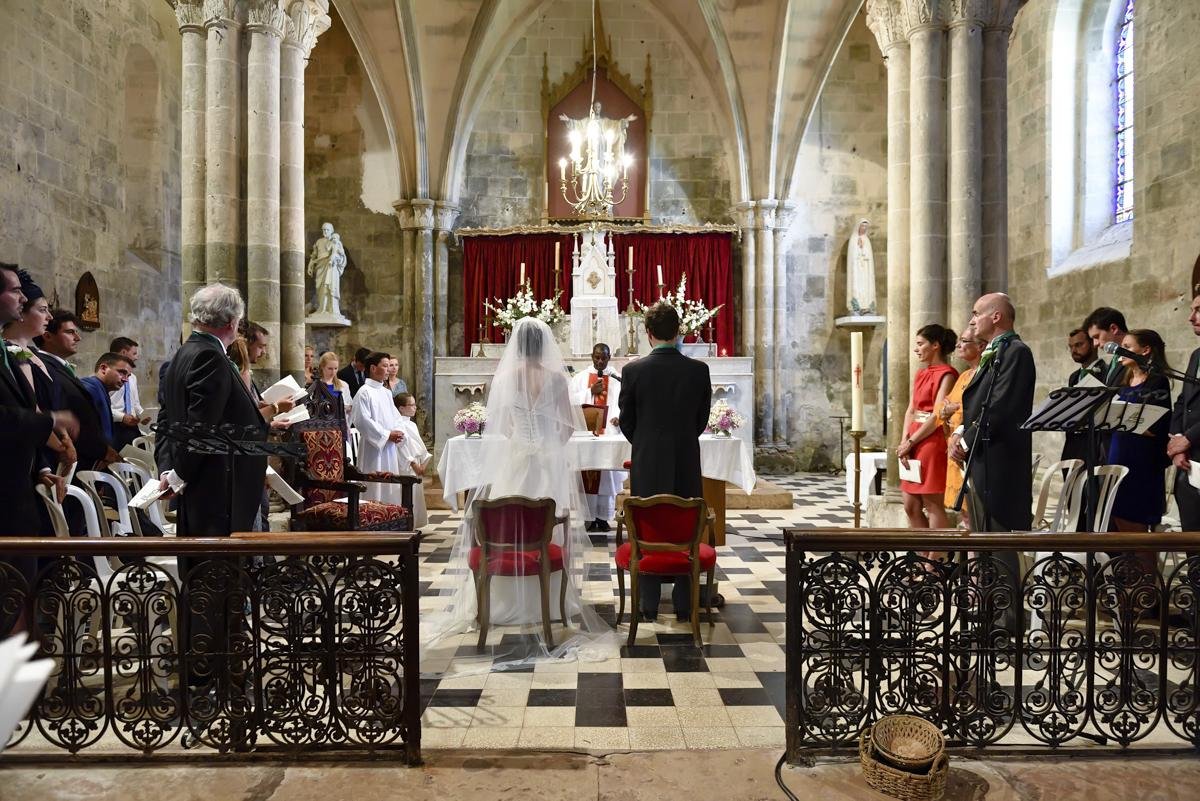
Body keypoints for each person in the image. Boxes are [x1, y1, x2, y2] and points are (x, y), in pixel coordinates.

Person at [424, 317, 613, 670]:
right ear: (544, 347)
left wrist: (522, 440)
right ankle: (550, 603)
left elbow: (505, 424)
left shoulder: (507, 377)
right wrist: (547, 446)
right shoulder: (557, 378)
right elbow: (566, 426)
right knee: (548, 527)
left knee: (507, 524)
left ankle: (502, 602)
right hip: (547, 461)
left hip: (515, 458)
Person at [618, 302, 711, 622]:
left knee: (649, 526)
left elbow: (626, 421)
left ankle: (649, 604)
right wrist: (681, 439)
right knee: (686, 525)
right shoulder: (698, 371)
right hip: (686, 458)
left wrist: (646, 443)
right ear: (678, 332)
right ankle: (686, 604)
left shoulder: (632, 371)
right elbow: (702, 419)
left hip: (647, 461)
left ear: (648, 334)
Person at [156, 283, 269, 537]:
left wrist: (169, 469)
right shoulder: (211, 357)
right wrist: (177, 475)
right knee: (217, 566)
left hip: (204, 482)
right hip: (220, 487)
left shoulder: (183, 353)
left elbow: (165, 419)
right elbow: (201, 429)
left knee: (203, 564)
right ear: (231, 321)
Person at [951, 293, 1035, 635]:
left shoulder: (1016, 352)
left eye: (977, 313)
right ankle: (989, 612)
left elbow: (1001, 407)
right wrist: (961, 432)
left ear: (996, 316)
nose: (973, 320)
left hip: (1001, 463)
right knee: (984, 538)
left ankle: (1007, 622)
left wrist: (968, 439)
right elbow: (980, 402)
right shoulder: (996, 353)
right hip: (984, 459)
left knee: (999, 541)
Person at [1106, 329, 1172, 532]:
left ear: (1145, 350)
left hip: (1140, 461)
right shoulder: (1122, 382)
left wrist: (1122, 418)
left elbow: (1157, 426)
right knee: (1117, 521)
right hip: (1118, 455)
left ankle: (1146, 566)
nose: (1120, 352)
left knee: (1136, 526)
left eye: (1126, 347)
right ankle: (1128, 565)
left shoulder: (1157, 382)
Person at [35, 310, 115, 470]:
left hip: (87, 457)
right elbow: (59, 412)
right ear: (48, 336)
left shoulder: (58, 367)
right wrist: (100, 451)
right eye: (70, 332)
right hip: (69, 459)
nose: (77, 338)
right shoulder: (42, 368)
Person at [899, 324, 958, 531]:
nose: (916, 349)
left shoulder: (948, 374)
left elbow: (936, 416)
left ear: (935, 345)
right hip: (913, 436)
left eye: (920, 344)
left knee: (932, 504)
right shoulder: (920, 374)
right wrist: (903, 441)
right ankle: (923, 554)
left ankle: (934, 560)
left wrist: (911, 441)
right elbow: (910, 410)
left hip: (931, 439)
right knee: (910, 505)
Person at [569, 342, 626, 531]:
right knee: (586, 472)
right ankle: (587, 517)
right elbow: (569, 401)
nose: (600, 361)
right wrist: (589, 392)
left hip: (608, 433)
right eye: (597, 357)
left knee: (606, 477)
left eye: (604, 358)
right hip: (586, 433)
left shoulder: (617, 380)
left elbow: (623, 403)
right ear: (592, 356)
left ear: (609, 358)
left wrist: (619, 417)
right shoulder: (580, 378)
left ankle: (602, 517)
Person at [349, 352, 408, 505]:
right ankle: (371, 518)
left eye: (390, 366)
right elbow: (362, 421)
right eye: (385, 366)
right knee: (374, 485)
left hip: (389, 447)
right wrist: (387, 435)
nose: (389, 369)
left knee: (390, 485)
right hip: (373, 448)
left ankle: (390, 516)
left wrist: (399, 432)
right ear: (374, 368)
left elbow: (396, 417)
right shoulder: (364, 392)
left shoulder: (386, 393)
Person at [939, 328, 985, 526]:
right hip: (954, 447)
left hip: (970, 447)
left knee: (975, 513)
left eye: (964, 341)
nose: (958, 345)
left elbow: (973, 411)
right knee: (964, 515)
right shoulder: (965, 375)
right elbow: (942, 408)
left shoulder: (983, 374)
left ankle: (978, 555)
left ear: (980, 346)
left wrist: (952, 409)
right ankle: (971, 556)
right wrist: (949, 409)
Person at [1168, 290, 1200, 531]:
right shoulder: (1196, 356)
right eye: (1191, 310)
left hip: (1194, 445)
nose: (1191, 317)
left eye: (1198, 310)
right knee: (1190, 534)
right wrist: (1177, 440)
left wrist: (1188, 439)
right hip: (1190, 462)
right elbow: (1182, 401)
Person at [1062, 327, 1108, 463]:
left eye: (1079, 345)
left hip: (1095, 443)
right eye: (1070, 347)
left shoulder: (1106, 372)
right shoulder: (1074, 377)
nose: (1073, 350)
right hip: (1074, 443)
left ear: (1094, 344)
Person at [80, 353, 133, 448]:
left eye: (128, 376)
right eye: (122, 372)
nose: (126, 380)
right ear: (103, 368)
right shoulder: (90, 388)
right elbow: (84, 430)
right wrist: (103, 453)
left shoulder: (101, 390)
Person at [393, 392, 430, 528]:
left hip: (416, 463)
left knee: (416, 495)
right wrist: (413, 463)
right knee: (408, 494)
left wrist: (423, 462)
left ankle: (413, 523)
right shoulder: (398, 424)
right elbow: (402, 447)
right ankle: (406, 524)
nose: (415, 408)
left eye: (415, 404)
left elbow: (419, 446)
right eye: (412, 405)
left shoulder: (411, 424)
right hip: (406, 465)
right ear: (401, 408)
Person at [107, 336, 146, 449]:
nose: (137, 357)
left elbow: (135, 403)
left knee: (140, 460)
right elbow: (102, 407)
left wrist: (142, 415)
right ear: (124, 353)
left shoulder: (132, 377)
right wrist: (122, 417)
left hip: (132, 428)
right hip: (114, 427)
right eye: (134, 353)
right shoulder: (108, 377)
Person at [1084, 306, 1129, 385]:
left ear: (1114, 328)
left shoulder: (1137, 352)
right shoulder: (1116, 358)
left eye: (1097, 336)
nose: (1095, 344)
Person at [312, 350, 352, 417]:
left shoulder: (343, 385)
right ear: (322, 367)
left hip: (339, 423)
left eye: (335, 368)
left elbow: (350, 407)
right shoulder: (315, 385)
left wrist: (343, 407)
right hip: (321, 423)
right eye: (330, 368)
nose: (333, 372)